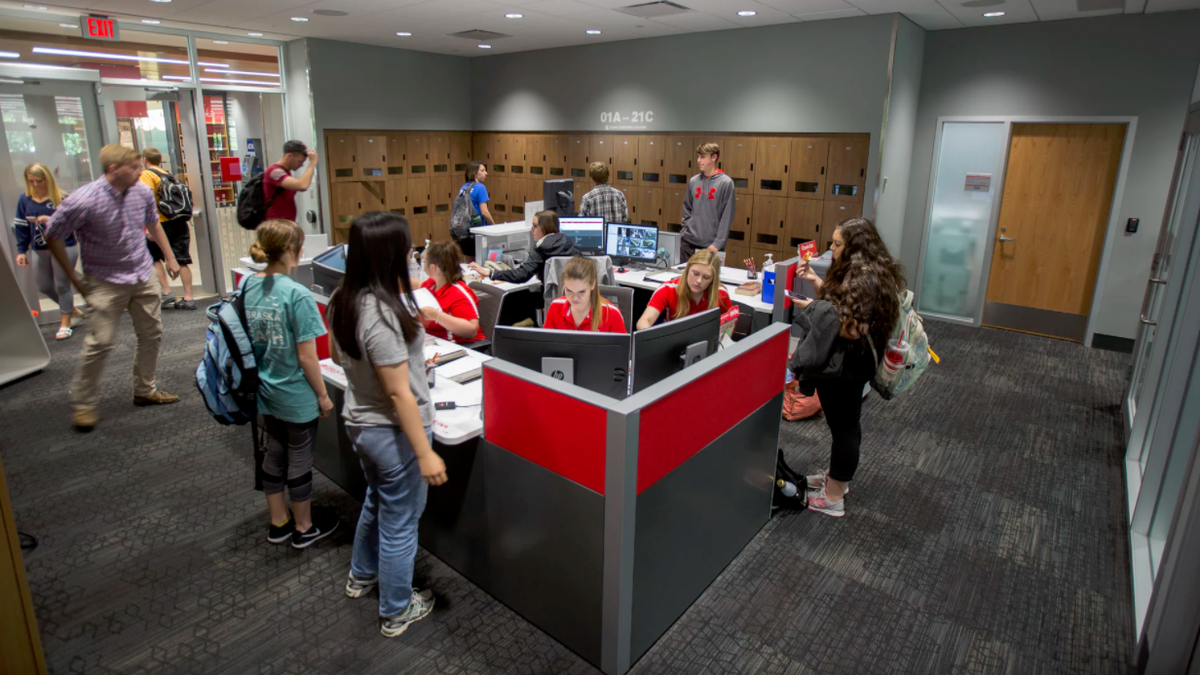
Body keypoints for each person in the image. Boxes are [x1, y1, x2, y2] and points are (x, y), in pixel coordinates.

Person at [327, 211, 448, 638]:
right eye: (407, 248)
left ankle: (361, 575)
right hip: (391, 432)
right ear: (389, 253)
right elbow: (400, 395)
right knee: (401, 523)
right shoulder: (381, 314)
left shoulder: (344, 298)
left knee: (378, 502)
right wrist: (425, 452)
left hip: (361, 422)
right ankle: (397, 610)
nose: (412, 254)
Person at [44, 144, 181, 431]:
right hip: (105, 281)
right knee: (101, 343)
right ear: (113, 170)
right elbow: (52, 234)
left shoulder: (142, 191)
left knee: (151, 334)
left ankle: (145, 390)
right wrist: (72, 276)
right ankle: (83, 405)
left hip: (143, 274)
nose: (140, 171)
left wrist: (170, 257)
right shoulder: (83, 201)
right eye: (134, 167)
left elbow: (153, 225)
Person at [787, 218, 903, 518]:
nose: (832, 249)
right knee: (845, 427)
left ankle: (834, 496)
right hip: (852, 362)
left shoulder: (865, 278)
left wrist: (813, 309)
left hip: (847, 365)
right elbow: (846, 306)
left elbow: (852, 328)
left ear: (855, 246)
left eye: (838, 244)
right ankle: (836, 480)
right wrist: (815, 283)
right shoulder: (869, 271)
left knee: (845, 429)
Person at [244, 219, 340, 548]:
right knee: (299, 458)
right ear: (291, 251)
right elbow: (307, 358)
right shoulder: (297, 295)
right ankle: (304, 527)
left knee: (274, 452)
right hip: (295, 393)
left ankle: (278, 522)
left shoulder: (248, 285)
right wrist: (323, 397)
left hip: (264, 388)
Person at [12, 162, 83, 340]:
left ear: (47, 180)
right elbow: (21, 226)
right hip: (39, 248)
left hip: (64, 246)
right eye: (31, 181)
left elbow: (74, 224)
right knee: (43, 285)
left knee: (61, 285)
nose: (35, 185)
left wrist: (51, 219)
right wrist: (22, 250)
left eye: (39, 181)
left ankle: (65, 322)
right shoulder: (25, 199)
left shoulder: (62, 198)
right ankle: (71, 310)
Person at [139, 147, 196, 310]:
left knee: (154, 257)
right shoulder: (169, 176)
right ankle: (189, 297)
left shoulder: (146, 175)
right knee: (182, 259)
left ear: (145, 160)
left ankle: (166, 292)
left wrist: (147, 226)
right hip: (179, 222)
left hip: (160, 223)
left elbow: (148, 198)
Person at [468, 210, 579, 285]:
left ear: (545, 228)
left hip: (551, 305)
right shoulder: (569, 243)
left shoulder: (542, 247)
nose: (531, 229)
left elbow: (521, 275)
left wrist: (490, 273)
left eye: (535, 226)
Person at [635, 249, 732, 330]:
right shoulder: (667, 289)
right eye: (695, 273)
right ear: (687, 270)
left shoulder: (720, 293)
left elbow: (729, 324)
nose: (699, 281)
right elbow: (643, 322)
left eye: (706, 277)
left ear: (713, 280)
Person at [418, 240, 485, 344]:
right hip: (434, 342)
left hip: (461, 347)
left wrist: (438, 316)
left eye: (424, 261)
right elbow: (415, 284)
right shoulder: (432, 284)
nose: (423, 265)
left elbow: (472, 330)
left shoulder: (458, 293)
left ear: (433, 267)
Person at [679, 142, 736, 260]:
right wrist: (685, 229)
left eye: (703, 157)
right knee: (685, 277)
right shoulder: (694, 181)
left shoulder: (726, 183)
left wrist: (717, 244)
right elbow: (687, 208)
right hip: (688, 242)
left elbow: (727, 216)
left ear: (714, 157)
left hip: (710, 246)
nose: (699, 160)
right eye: (698, 157)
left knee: (706, 277)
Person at [543, 255, 627, 333]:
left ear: (592, 285)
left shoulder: (611, 313)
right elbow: (545, 344)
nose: (575, 298)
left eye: (581, 292)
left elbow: (623, 348)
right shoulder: (555, 307)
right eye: (569, 290)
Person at [264, 140, 319, 223]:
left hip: (285, 222)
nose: (302, 165)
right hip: (275, 225)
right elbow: (302, 186)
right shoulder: (273, 171)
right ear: (289, 156)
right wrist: (312, 163)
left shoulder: (286, 172)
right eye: (300, 161)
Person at [455, 161, 495, 259]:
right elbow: (484, 213)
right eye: (482, 170)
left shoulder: (463, 188)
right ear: (474, 173)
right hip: (477, 234)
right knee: (481, 266)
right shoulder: (480, 187)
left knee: (469, 266)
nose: (486, 173)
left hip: (463, 233)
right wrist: (494, 226)